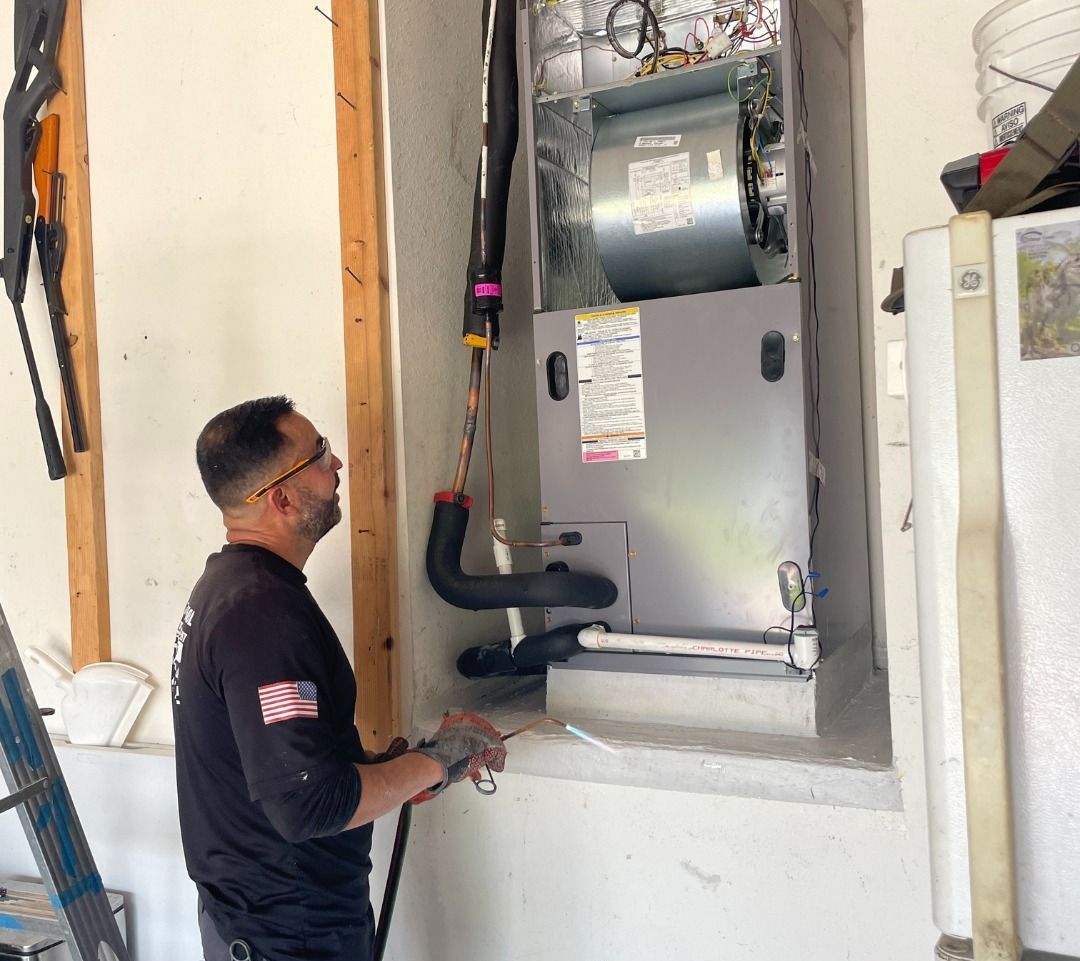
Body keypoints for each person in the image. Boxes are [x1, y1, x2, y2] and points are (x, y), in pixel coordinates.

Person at [171, 396, 506, 961]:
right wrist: (441, 759)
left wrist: (403, 768)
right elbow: (308, 805)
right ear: (279, 497)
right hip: (290, 934)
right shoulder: (260, 617)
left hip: (274, 921)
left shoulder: (234, 592)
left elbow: (292, 765)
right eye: (320, 454)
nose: (338, 464)